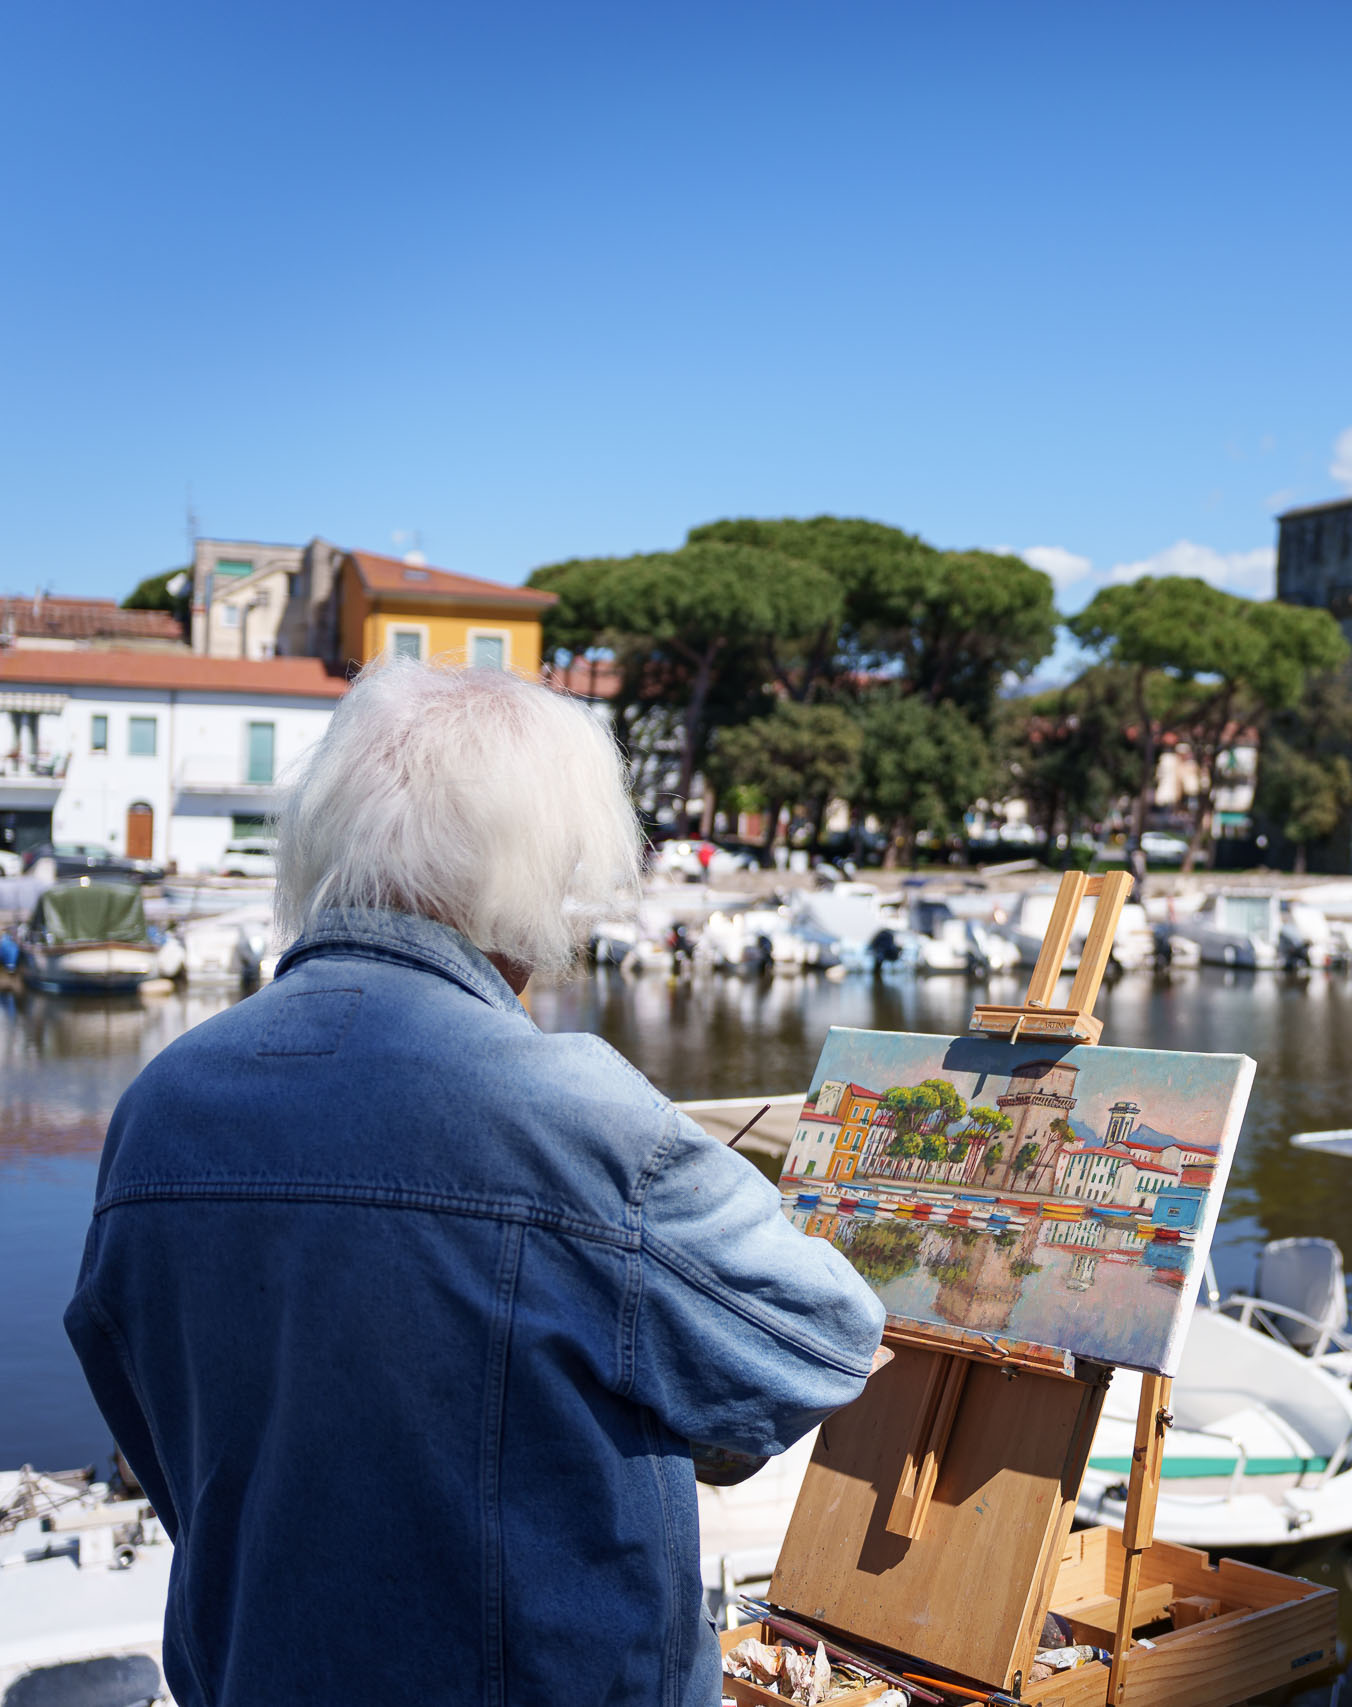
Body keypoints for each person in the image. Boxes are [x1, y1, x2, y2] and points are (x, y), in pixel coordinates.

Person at [65, 659, 884, 1704]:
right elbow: (817, 1342)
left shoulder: (160, 1107)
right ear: (537, 875)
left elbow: (149, 1416)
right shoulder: (574, 1115)